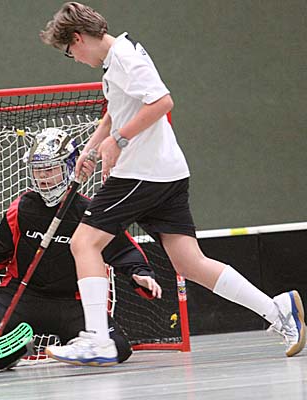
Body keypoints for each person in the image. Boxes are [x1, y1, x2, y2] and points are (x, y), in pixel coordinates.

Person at [39, 2, 305, 366]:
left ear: (78, 38)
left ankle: (98, 339)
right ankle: (278, 310)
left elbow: (162, 102)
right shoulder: (115, 61)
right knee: (190, 263)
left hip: (142, 173)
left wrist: (118, 141)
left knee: (84, 242)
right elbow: (116, 111)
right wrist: (92, 148)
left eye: (70, 52)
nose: (75, 59)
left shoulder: (126, 58)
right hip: (167, 174)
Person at [0, 127, 162, 370]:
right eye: (38, 170)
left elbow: (123, 251)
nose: (43, 177)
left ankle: (75, 345)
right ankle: (17, 350)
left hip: (72, 302)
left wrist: (140, 273)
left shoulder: (89, 212)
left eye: (50, 169)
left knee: (118, 347)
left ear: (69, 168)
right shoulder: (21, 209)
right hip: (21, 295)